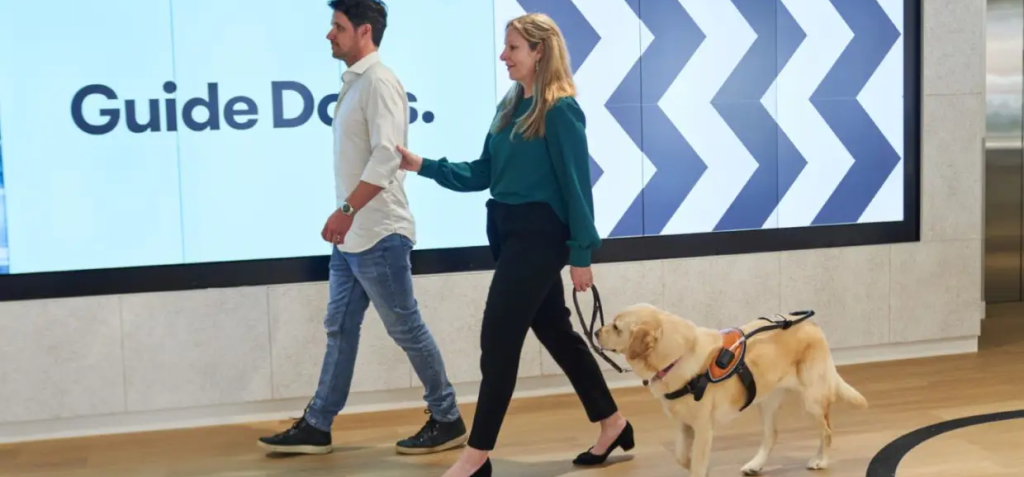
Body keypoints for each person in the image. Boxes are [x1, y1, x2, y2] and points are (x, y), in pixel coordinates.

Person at [396, 12, 634, 477]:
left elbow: (576, 187)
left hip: (541, 236)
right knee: (556, 333)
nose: (503, 56)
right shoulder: (510, 104)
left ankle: (477, 454)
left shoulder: (561, 109)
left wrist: (581, 255)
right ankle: (613, 422)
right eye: (506, 47)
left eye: (513, 48)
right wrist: (422, 164)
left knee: (498, 339)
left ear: (539, 51)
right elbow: (484, 174)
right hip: (507, 230)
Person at [257, 0, 467, 457]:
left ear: (365, 31)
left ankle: (448, 417)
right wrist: (347, 218)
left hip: (378, 233)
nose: (329, 35)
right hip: (354, 237)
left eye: (338, 26)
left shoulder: (379, 82)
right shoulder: (354, 84)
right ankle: (318, 424)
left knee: (405, 328)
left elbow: (388, 156)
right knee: (339, 327)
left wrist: (346, 210)